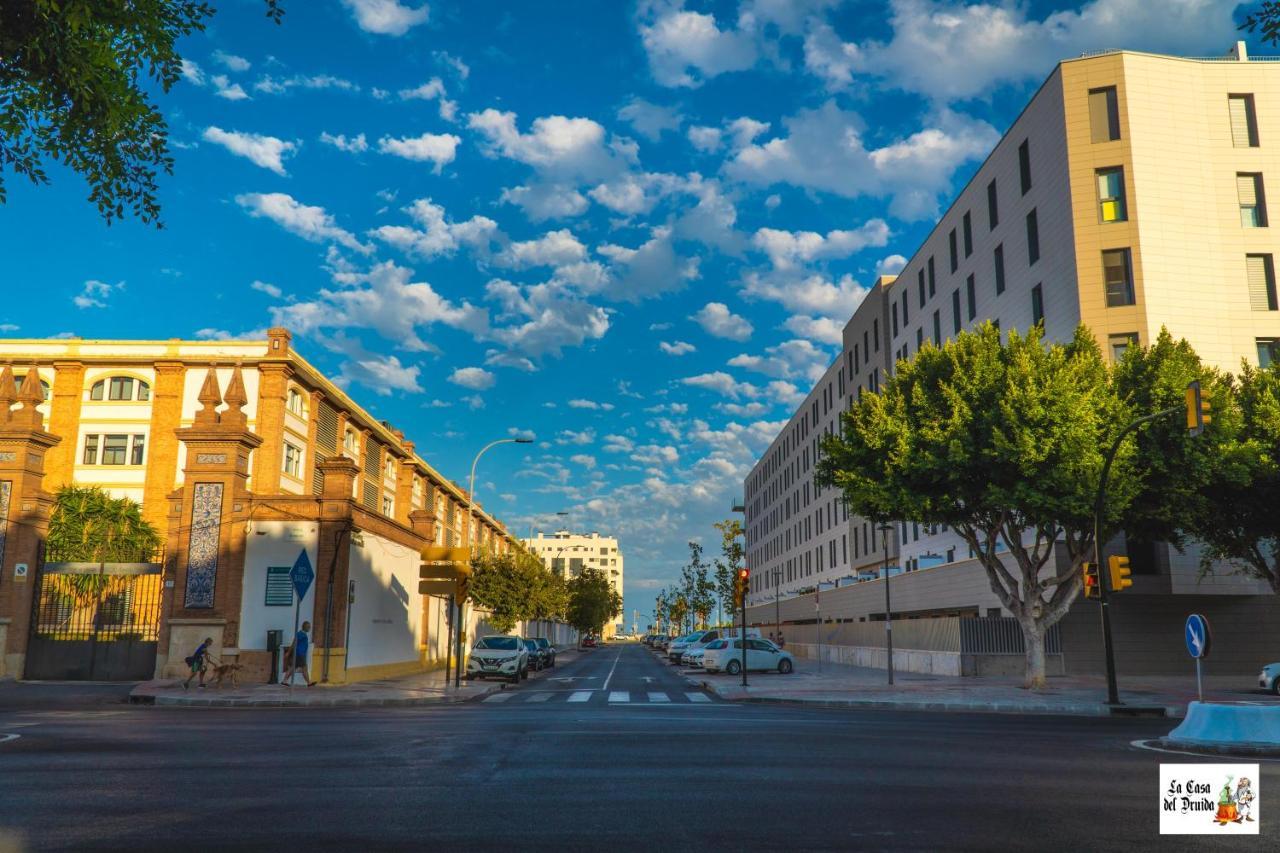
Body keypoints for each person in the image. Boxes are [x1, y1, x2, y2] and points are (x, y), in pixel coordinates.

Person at [281, 621, 315, 687]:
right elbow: (294, 643)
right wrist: (288, 652)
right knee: (304, 668)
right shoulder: (300, 634)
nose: (310, 628)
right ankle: (309, 683)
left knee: (292, 668)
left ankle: (284, 681)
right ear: (305, 627)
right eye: (309, 627)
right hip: (300, 654)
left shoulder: (302, 634)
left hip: (299, 654)